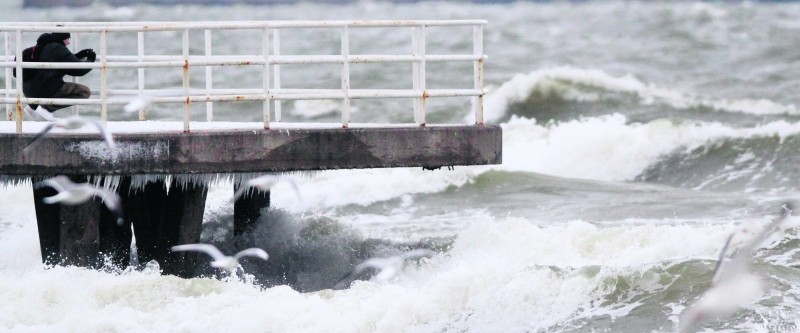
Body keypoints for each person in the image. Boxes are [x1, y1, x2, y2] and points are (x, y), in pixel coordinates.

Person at [13, 32, 96, 114]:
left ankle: (36, 108)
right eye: (68, 39)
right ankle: (44, 109)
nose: (69, 42)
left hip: (29, 93)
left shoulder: (37, 48)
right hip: (46, 90)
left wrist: (80, 55)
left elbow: (63, 61)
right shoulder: (58, 48)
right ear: (62, 38)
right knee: (84, 92)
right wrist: (91, 61)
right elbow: (78, 70)